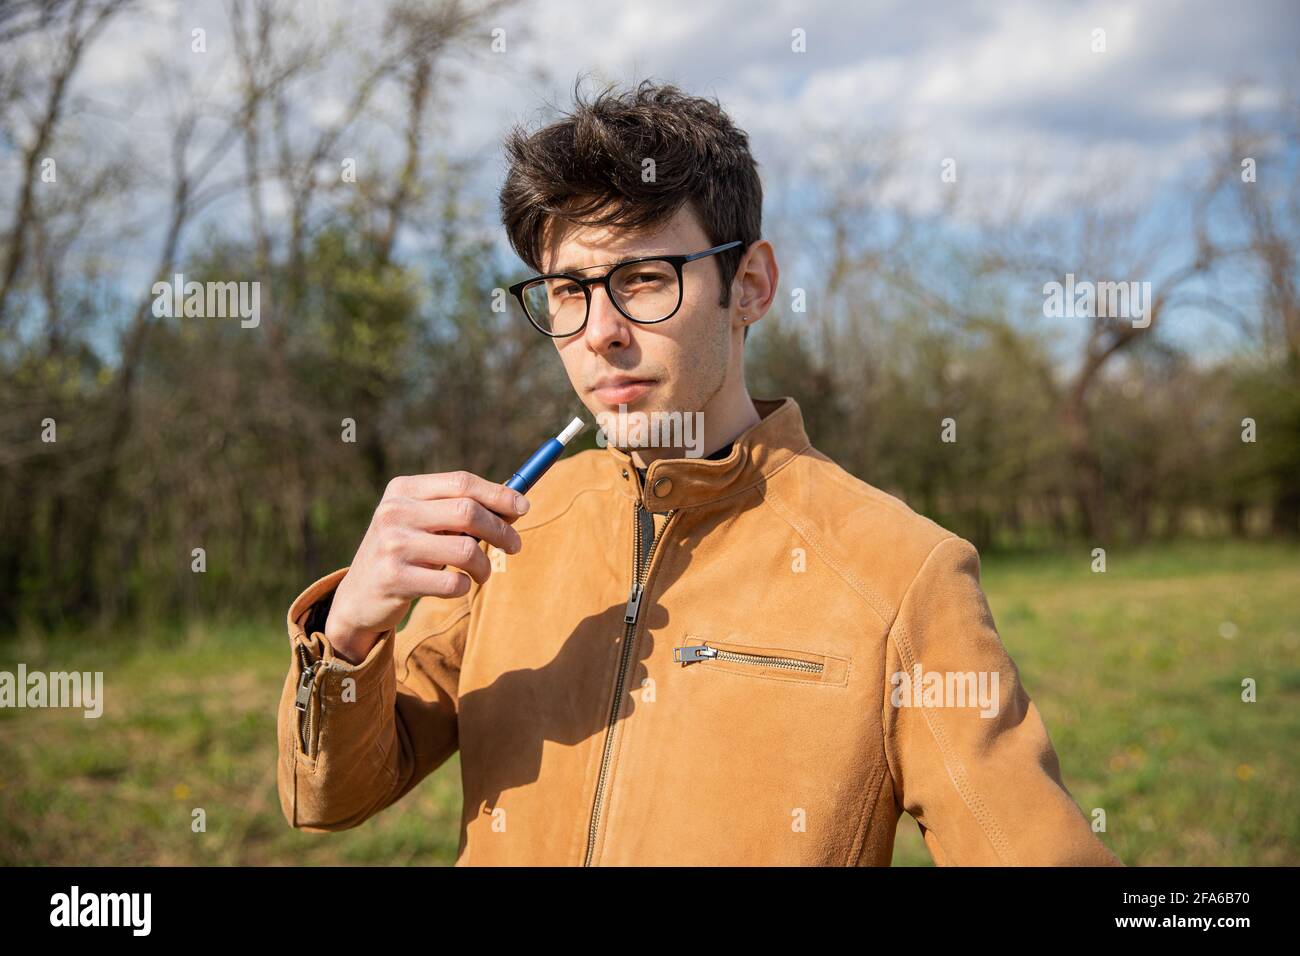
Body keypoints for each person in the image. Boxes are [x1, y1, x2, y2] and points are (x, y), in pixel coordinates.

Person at [275, 79, 1123, 867]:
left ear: (748, 285)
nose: (599, 331)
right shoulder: (510, 528)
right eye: (568, 290)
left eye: (644, 279)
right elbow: (330, 800)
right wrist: (348, 638)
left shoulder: (901, 573)